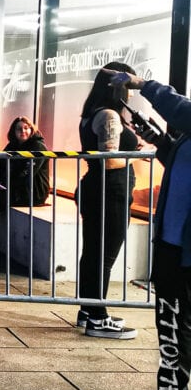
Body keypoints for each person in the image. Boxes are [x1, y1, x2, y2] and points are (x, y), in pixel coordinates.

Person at [102, 69, 191, 390]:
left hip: (185, 248)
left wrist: (143, 85)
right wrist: (162, 143)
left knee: (179, 324)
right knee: (171, 322)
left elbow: (182, 110)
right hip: (172, 244)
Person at [75, 62, 140, 339]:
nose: (133, 92)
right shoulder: (110, 116)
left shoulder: (93, 113)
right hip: (109, 189)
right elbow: (109, 159)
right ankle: (98, 319)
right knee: (104, 255)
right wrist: (139, 153)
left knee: (93, 252)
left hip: (97, 188)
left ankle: (89, 310)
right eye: (131, 85)